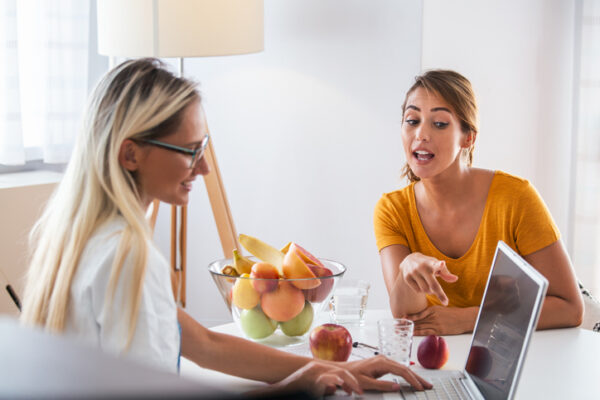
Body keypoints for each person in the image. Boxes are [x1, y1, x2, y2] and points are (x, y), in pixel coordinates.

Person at [19, 58, 431, 397]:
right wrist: (293, 389)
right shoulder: (127, 256)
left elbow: (203, 343)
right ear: (130, 154)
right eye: (190, 151)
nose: (204, 166)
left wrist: (332, 367)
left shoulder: (81, 237)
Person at [374, 70, 584, 336]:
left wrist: (471, 319)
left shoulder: (516, 198)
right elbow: (409, 317)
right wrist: (408, 269)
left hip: (511, 359)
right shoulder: (391, 210)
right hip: (435, 358)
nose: (421, 134)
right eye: (412, 120)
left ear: (468, 137)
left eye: (439, 123)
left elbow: (570, 308)